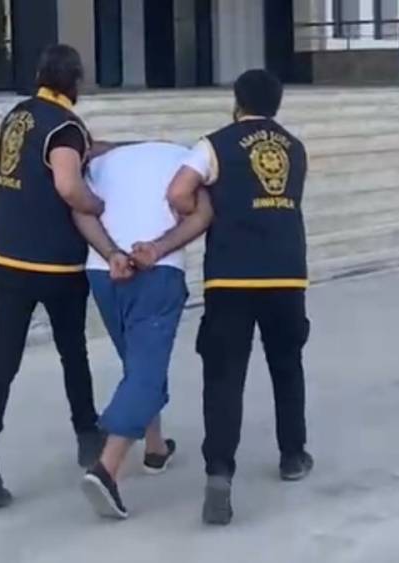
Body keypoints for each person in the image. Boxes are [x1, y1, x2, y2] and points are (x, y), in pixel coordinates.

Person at [0, 44, 120, 508]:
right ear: (76, 81)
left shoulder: (19, 116)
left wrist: (118, 150)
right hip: (55, 263)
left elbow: (70, 154)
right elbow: (69, 185)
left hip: (7, 258)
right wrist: (98, 204)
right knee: (73, 353)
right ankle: (88, 437)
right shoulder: (65, 126)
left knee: (5, 359)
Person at [168, 69, 314, 526]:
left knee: (224, 375)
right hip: (286, 272)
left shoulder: (214, 144)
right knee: (287, 365)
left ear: (237, 102)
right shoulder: (295, 148)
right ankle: (293, 455)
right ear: (277, 103)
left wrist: (200, 210)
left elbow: (178, 190)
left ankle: (219, 474)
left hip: (231, 275)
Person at [71, 142, 214, 519]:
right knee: (146, 372)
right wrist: (157, 248)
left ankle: (155, 449)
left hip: (103, 272)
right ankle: (106, 470)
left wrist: (112, 254)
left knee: (138, 365)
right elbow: (201, 214)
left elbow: (81, 211)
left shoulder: (102, 162)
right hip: (158, 272)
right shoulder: (188, 159)